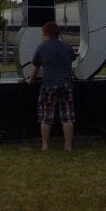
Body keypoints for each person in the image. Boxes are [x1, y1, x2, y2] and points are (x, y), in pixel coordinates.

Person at [27, 20, 76, 151]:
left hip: (48, 85)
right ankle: (68, 145)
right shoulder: (67, 47)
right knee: (67, 117)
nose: (41, 37)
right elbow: (70, 67)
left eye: (42, 34)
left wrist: (30, 81)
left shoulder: (42, 47)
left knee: (46, 117)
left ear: (47, 34)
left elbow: (35, 69)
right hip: (66, 84)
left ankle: (45, 145)